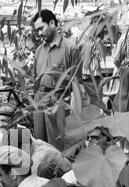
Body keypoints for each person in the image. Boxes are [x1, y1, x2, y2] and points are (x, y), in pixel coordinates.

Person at [32, 9, 82, 151]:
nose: (39, 33)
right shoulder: (39, 51)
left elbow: (77, 87)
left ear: (52, 23)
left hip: (58, 101)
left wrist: (75, 118)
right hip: (39, 101)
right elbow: (36, 78)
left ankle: (62, 172)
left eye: (41, 28)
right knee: (40, 146)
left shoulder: (70, 49)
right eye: (37, 30)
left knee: (59, 147)